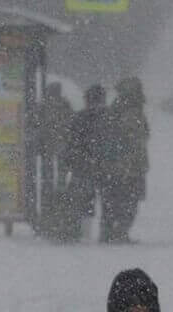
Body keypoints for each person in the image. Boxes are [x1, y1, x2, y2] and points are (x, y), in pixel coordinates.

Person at [97, 76, 150, 244]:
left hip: (115, 165)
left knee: (112, 199)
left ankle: (108, 232)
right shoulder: (132, 112)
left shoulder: (115, 109)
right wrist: (128, 162)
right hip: (129, 166)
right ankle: (119, 232)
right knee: (128, 200)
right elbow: (135, 138)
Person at [60, 84, 108, 242]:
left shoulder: (79, 117)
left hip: (82, 164)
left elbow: (71, 142)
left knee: (83, 199)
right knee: (108, 200)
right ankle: (107, 232)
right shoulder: (109, 117)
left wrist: (70, 160)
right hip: (105, 164)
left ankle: (82, 232)